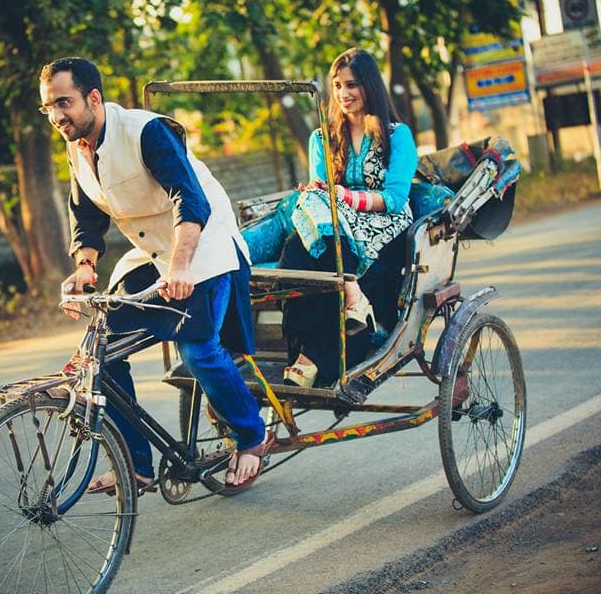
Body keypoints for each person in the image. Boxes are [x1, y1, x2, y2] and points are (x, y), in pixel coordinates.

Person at [39, 57, 268, 489]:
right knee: (103, 353)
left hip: (203, 247)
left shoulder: (146, 131)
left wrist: (181, 267)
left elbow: (190, 198)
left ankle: (252, 436)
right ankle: (138, 465)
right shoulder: (77, 146)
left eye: (63, 103)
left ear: (93, 97)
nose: (56, 116)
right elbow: (85, 215)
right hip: (153, 255)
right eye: (48, 107)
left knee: (197, 350)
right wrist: (85, 266)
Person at [279, 47, 417, 389]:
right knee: (297, 251)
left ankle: (311, 358)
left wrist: (345, 196)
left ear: (370, 86)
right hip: (336, 226)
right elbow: (323, 193)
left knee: (340, 255)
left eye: (352, 84)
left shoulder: (396, 135)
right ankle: (348, 292)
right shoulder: (322, 138)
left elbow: (396, 198)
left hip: (385, 224)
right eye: (337, 85)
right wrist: (320, 190)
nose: (343, 94)